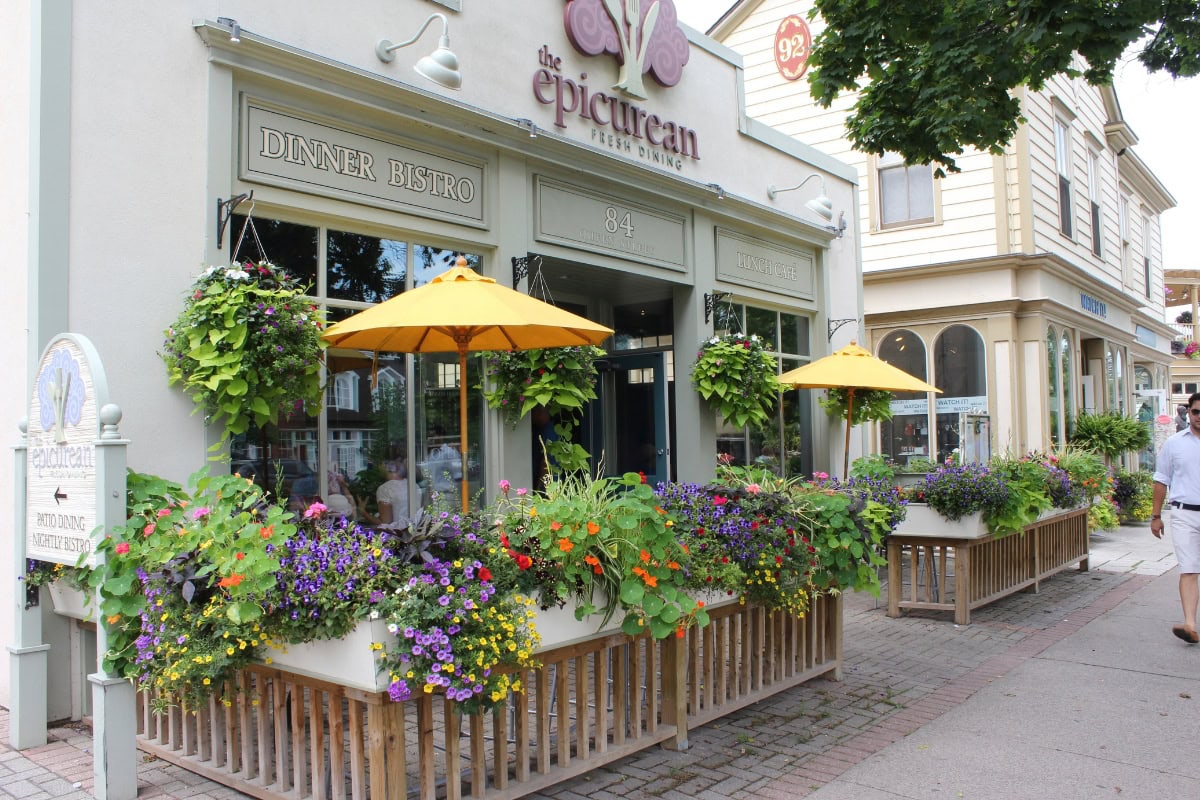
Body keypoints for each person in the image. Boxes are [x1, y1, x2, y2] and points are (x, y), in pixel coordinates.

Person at [1150, 390, 1200, 644]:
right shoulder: (1174, 443)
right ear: (1188, 412)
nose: (1199, 416)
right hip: (1184, 513)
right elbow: (1161, 480)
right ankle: (1190, 624)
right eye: (1196, 411)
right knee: (1189, 568)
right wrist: (1156, 515)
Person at [374, 460, 410, 528]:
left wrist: (363, 512)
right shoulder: (414, 485)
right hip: (416, 531)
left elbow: (386, 523)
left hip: (398, 534)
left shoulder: (385, 489)